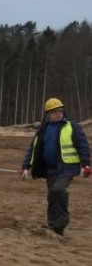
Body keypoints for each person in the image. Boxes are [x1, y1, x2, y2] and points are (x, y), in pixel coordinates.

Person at [20, 97, 91, 236]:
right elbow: (33, 149)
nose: (58, 113)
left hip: (67, 167)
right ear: (48, 114)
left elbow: (83, 146)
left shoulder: (72, 126)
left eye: (59, 110)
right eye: (53, 111)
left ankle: (61, 223)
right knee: (52, 195)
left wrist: (87, 165)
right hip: (50, 169)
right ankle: (53, 225)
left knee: (58, 190)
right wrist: (25, 167)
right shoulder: (43, 129)